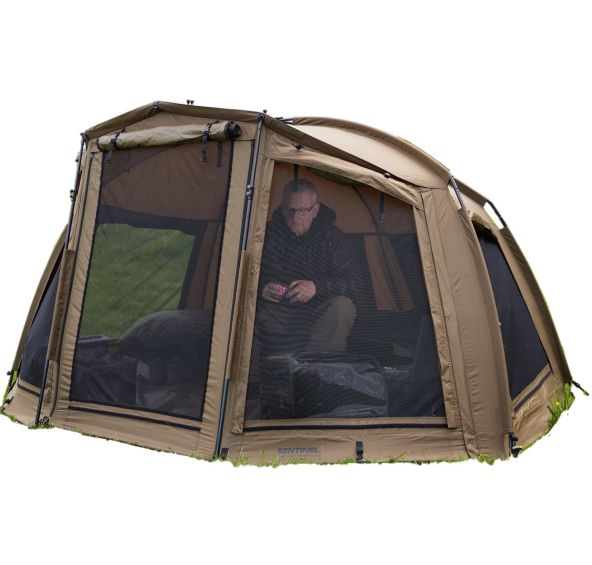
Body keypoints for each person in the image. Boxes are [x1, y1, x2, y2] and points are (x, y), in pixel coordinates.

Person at [254, 178, 361, 359]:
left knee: (343, 307)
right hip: (276, 311)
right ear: (283, 208)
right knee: (246, 305)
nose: (295, 217)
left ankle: (314, 370)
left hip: (318, 310)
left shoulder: (334, 239)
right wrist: (261, 288)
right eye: (290, 210)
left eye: (303, 210)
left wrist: (316, 287)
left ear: (315, 210)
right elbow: (240, 274)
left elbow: (355, 283)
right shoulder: (265, 234)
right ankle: (251, 375)